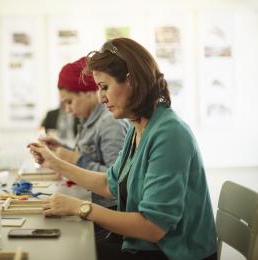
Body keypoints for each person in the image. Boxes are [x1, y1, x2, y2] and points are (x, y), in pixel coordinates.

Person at [28, 38, 217, 260]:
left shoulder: (169, 134)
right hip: (147, 247)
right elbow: (110, 184)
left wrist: (81, 208)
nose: (101, 97)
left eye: (105, 87)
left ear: (132, 81)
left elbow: (152, 227)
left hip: (173, 254)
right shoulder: (139, 126)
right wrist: (55, 163)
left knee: (71, 253)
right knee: (71, 247)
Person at [39, 57, 128, 211]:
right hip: (93, 204)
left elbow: (117, 181)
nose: (67, 110)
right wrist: (62, 149)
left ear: (88, 93)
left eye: (69, 102)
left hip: (108, 211)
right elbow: (92, 155)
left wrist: (74, 159)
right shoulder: (87, 120)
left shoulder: (109, 123)